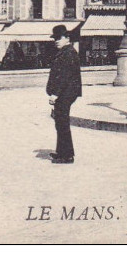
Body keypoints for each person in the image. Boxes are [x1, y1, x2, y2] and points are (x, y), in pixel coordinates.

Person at [46, 25, 82, 164]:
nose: (56, 40)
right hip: (65, 93)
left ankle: (67, 155)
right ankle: (61, 151)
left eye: (58, 38)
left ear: (67, 38)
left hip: (65, 93)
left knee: (62, 123)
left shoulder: (68, 53)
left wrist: (55, 94)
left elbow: (64, 76)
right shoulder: (65, 51)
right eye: (54, 38)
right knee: (60, 122)